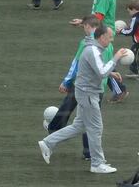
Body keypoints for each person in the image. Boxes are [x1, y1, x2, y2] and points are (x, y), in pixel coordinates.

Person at [38, 24, 128, 174]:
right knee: (96, 128)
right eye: (110, 37)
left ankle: (48, 143)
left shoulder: (93, 48)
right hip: (88, 95)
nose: (111, 40)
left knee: (79, 126)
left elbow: (94, 69)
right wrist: (116, 58)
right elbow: (101, 72)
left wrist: (111, 73)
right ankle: (97, 164)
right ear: (102, 37)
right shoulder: (93, 50)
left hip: (85, 93)